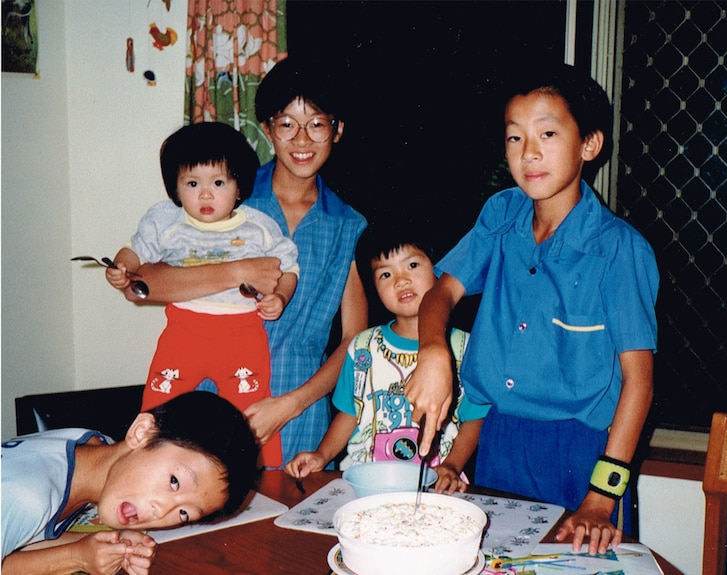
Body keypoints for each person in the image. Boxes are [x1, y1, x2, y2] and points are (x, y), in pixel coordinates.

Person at [405, 63, 659, 555]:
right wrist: (433, 351)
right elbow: (440, 292)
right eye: (515, 138)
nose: (530, 153)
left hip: (582, 452)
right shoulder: (501, 215)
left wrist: (601, 498)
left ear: (589, 144)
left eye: (547, 133)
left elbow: (639, 382)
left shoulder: (619, 250)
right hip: (499, 439)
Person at [116, 57, 368, 466]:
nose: (302, 139)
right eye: (287, 123)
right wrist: (236, 271)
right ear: (268, 130)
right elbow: (141, 285)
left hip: (300, 413)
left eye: (317, 123)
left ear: (337, 130)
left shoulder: (349, 226)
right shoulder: (227, 195)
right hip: (214, 398)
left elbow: (354, 340)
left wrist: (289, 405)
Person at [107, 122, 298, 468]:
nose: (206, 194)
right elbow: (135, 251)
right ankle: (140, 464)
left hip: (241, 332)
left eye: (219, 183)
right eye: (193, 183)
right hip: (184, 330)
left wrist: (281, 297)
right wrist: (120, 267)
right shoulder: (167, 221)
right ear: (176, 189)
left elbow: (289, 268)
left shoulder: (258, 226)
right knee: (159, 402)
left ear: (239, 187)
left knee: (251, 409)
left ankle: (264, 475)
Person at [284, 224, 487, 493]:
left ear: (441, 270)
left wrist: (451, 465)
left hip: (435, 485)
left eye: (412, 265)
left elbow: (474, 419)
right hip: (364, 483)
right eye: (386, 274)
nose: (400, 280)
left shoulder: (464, 346)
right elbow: (349, 413)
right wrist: (322, 455)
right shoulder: (363, 348)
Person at [1, 391, 260, 575]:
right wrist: (74, 558)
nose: (162, 511)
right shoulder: (26, 496)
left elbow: (23, 533)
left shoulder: (91, 446)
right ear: (142, 432)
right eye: (174, 481)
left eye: (184, 513)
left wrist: (105, 542)